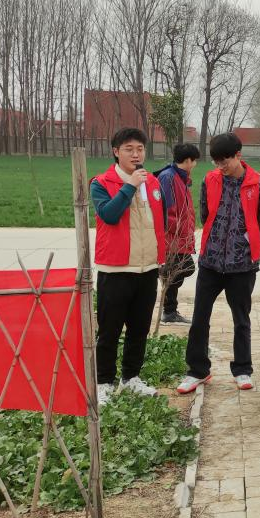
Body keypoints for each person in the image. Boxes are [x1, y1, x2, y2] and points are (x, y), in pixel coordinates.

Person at [177, 133, 260, 394]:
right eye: (216, 161)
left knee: (241, 319)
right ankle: (197, 371)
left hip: (242, 266)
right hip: (210, 262)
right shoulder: (210, 180)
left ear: (238, 155)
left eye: (225, 161)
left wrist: (246, 246)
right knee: (200, 317)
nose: (220, 166)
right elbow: (205, 213)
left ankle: (242, 369)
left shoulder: (259, 184)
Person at [89, 127, 166, 406]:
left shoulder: (153, 182)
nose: (136, 154)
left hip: (147, 268)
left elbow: (160, 221)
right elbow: (109, 215)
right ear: (116, 152)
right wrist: (130, 185)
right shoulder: (101, 183)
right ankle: (104, 382)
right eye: (129, 149)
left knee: (139, 329)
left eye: (140, 149)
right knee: (109, 330)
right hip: (116, 269)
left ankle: (131, 378)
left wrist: (162, 257)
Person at [155, 143, 200, 324]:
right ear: (188, 160)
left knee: (175, 272)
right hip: (172, 237)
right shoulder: (168, 177)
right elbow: (166, 210)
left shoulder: (180, 178)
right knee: (184, 269)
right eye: (194, 161)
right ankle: (169, 310)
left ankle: (170, 311)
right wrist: (180, 229)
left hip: (179, 237)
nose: (195, 164)